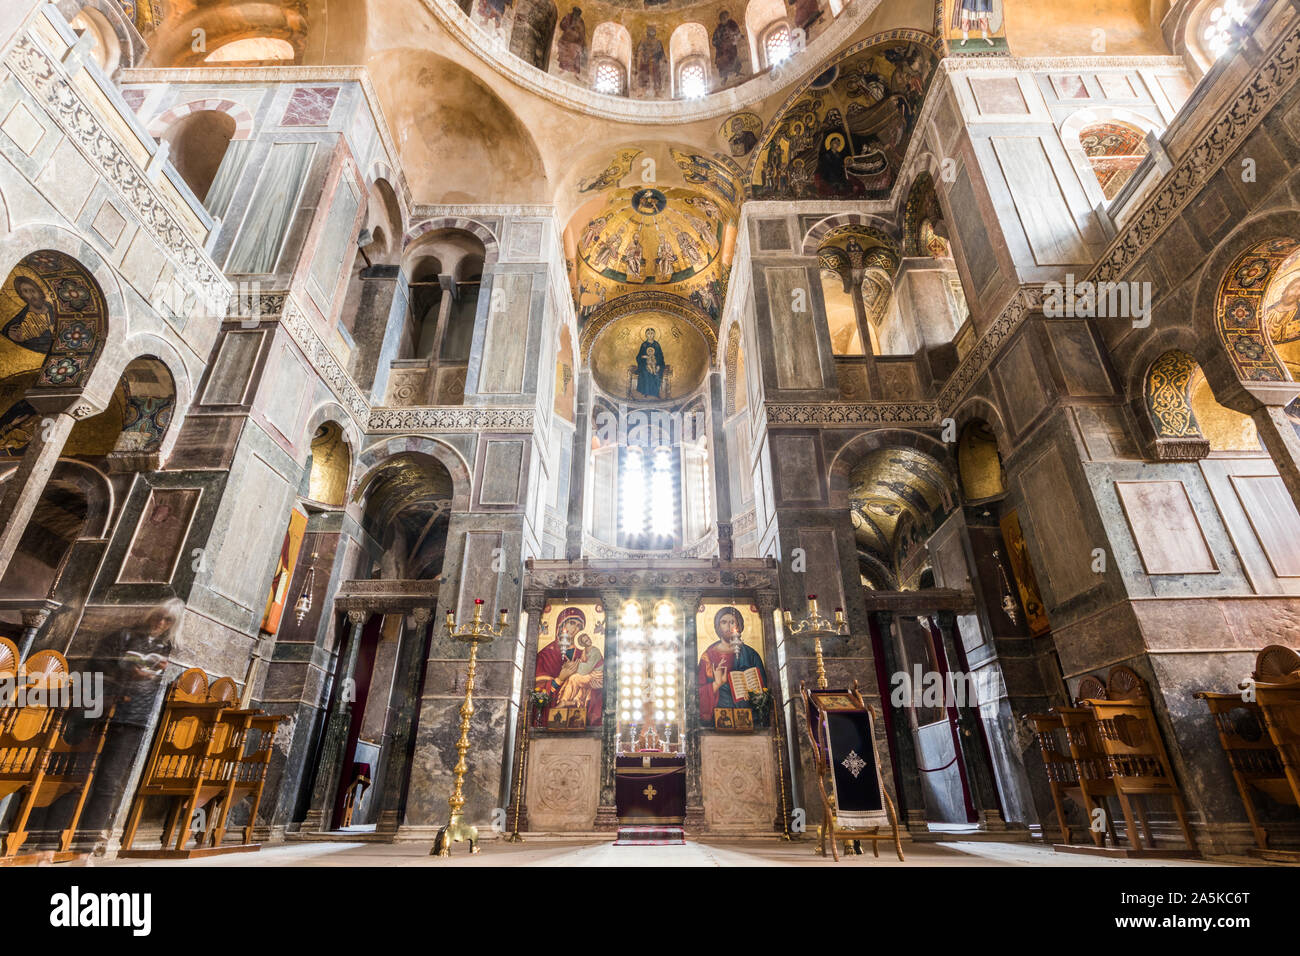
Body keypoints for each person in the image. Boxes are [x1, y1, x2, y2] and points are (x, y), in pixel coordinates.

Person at [77, 599, 184, 846]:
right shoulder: (124, 636)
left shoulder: (167, 648)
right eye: (158, 616)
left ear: (173, 625)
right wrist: (126, 670)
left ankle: (86, 846)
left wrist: (148, 674)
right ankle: (54, 842)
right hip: (100, 710)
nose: (160, 622)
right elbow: (96, 665)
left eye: (167, 620)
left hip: (134, 717)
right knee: (77, 778)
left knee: (109, 781)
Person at [698, 606, 768, 724]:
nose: (728, 626)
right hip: (719, 716)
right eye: (724, 622)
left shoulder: (751, 654)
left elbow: (763, 689)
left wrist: (753, 695)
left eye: (732, 622)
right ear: (717, 626)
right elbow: (698, 692)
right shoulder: (708, 656)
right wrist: (716, 684)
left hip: (747, 717)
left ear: (739, 626)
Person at [635, 327, 666, 398]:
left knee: (657, 373)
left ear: (654, 335)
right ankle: (646, 391)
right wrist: (644, 357)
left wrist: (658, 365)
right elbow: (639, 356)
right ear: (646, 335)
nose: (650, 335)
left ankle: (656, 393)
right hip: (645, 364)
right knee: (646, 372)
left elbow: (660, 356)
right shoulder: (644, 345)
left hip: (656, 364)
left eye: (652, 333)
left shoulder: (656, 345)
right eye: (648, 334)